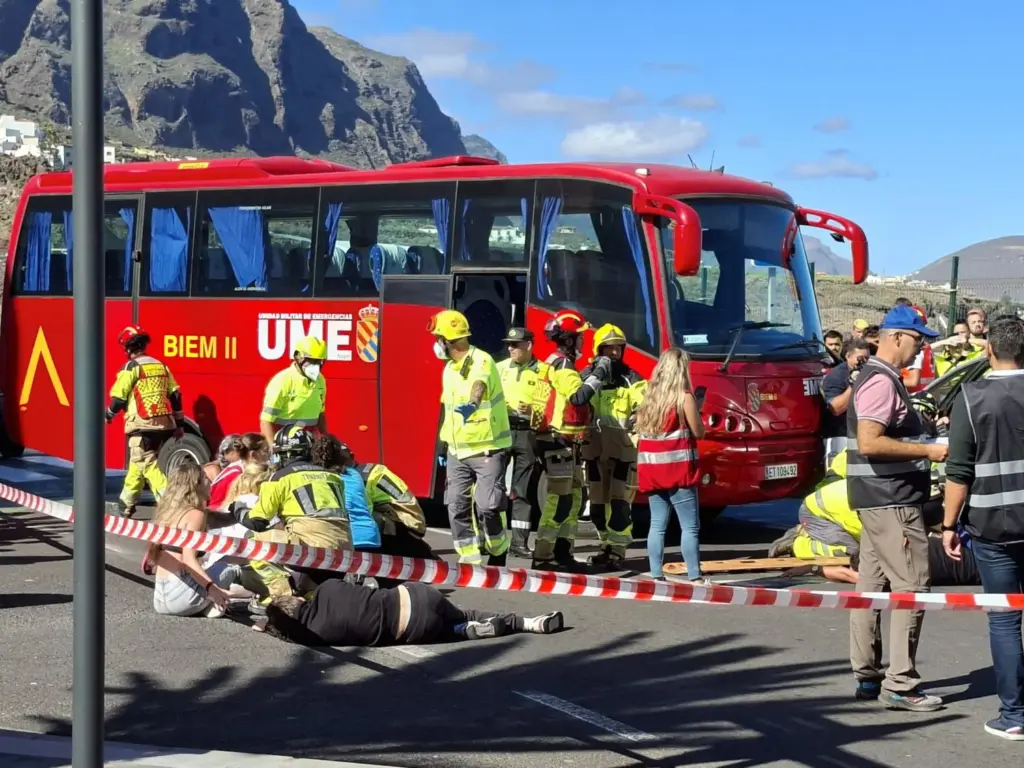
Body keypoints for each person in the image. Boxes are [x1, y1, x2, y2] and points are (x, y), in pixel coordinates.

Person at [847, 304, 946, 712]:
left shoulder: (877, 377)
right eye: (919, 340)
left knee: (870, 587)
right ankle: (900, 684)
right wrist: (929, 449)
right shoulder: (882, 381)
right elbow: (870, 441)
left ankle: (867, 675)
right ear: (897, 337)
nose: (922, 349)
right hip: (892, 501)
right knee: (912, 586)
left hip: (877, 500)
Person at [942, 315, 1024, 741]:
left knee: (1005, 620)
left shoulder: (970, 398)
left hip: (993, 528)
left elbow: (958, 473)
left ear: (989, 350)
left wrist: (948, 526)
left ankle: (1014, 716)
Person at [234, 425, 353, 604]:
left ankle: (282, 598)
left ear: (283, 454)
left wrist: (237, 509)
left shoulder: (280, 478)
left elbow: (258, 521)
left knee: (254, 540)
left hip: (311, 553)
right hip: (345, 554)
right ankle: (311, 595)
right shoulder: (332, 477)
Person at [429, 310, 512, 566]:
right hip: (457, 451)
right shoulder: (449, 369)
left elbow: (479, 385)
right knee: (456, 506)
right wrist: (445, 447)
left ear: (449, 340)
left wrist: (473, 403)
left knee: (488, 506)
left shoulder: (482, 361)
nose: (436, 343)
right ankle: (469, 560)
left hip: (488, 447)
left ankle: (498, 550)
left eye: (438, 338)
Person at [253, 579, 565, 646]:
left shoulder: (318, 635)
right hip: (416, 594)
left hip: (413, 628)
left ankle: (459, 632)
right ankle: (530, 622)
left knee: (445, 629)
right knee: (465, 611)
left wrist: (267, 627)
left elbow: (291, 632)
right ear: (298, 600)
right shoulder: (329, 588)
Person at [531, 311, 607, 571]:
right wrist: (599, 371)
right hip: (557, 439)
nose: (584, 341)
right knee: (560, 500)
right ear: (569, 340)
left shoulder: (559, 362)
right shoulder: (562, 365)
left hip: (566, 440)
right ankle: (543, 556)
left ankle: (563, 552)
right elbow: (578, 396)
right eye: (581, 336)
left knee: (574, 498)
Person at [635, 348, 707, 583]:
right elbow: (698, 431)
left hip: (652, 471)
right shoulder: (684, 397)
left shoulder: (650, 398)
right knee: (690, 527)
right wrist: (699, 409)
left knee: (657, 525)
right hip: (678, 471)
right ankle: (694, 575)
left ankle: (656, 573)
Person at [582, 324, 646, 570]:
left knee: (619, 506)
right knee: (597, 507)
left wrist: (639, 414)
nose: (614, 353)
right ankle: (605, 548)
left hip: (623, 452)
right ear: (598, 350)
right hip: (595, 452)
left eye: (618, 348)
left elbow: (645, 403)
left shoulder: (631, 378)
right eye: (609, 348)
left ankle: (617, 552)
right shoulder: (588, 376)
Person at [146, 464, 248, 618]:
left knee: (216, 567)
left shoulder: (169, 511)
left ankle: (212, 603)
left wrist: (237, 513)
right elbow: (188, 559)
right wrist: (212, 588)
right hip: (181, 598)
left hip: (161, 598)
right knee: (229, 567)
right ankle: (222, 600)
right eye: (206, 478)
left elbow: (220, 520)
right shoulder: (196, 515)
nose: (211, 482)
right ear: (196, 484)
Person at [104, 324, 185, 519]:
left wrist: (107, 415)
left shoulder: (131, 367)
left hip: (142, 424)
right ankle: (125, 505)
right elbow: (175, 394)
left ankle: (172, 505)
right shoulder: (161, 365)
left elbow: (119, 399)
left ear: (128, 348)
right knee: (137, 464)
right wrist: (179, 423)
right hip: (163, 424)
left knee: (147, 465)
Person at [496, 327, 545, 558]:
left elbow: (551, 406)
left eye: (515, 345)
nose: (510, 349)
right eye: (509, 344)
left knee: (522, 490)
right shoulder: (500, 368)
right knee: (493, 487)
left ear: (528, 345)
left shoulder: (543, 371)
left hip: (527, 433)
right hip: (503, 430)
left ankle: (519, 543)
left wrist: (534, 410)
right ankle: (494, 542)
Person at [260, 335, 328, 443]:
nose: (316, 366)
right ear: (297, 357)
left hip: (309, 441)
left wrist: (326, 440)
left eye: (320, 362)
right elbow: (266, 421)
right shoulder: (282, 381)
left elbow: (321, 415)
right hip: (285, 443)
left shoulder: (320, 380)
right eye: (311, 361)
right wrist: (274, 449)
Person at [821, 338, 872, 467]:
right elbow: (835, 408)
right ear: (848, 356)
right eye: (860, 359)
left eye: (867, 359)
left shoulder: (869, 372)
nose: (864, 363)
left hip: (860, 434)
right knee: (836, 475)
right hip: (839, 435)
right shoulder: (836, 376)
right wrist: (853, 384)